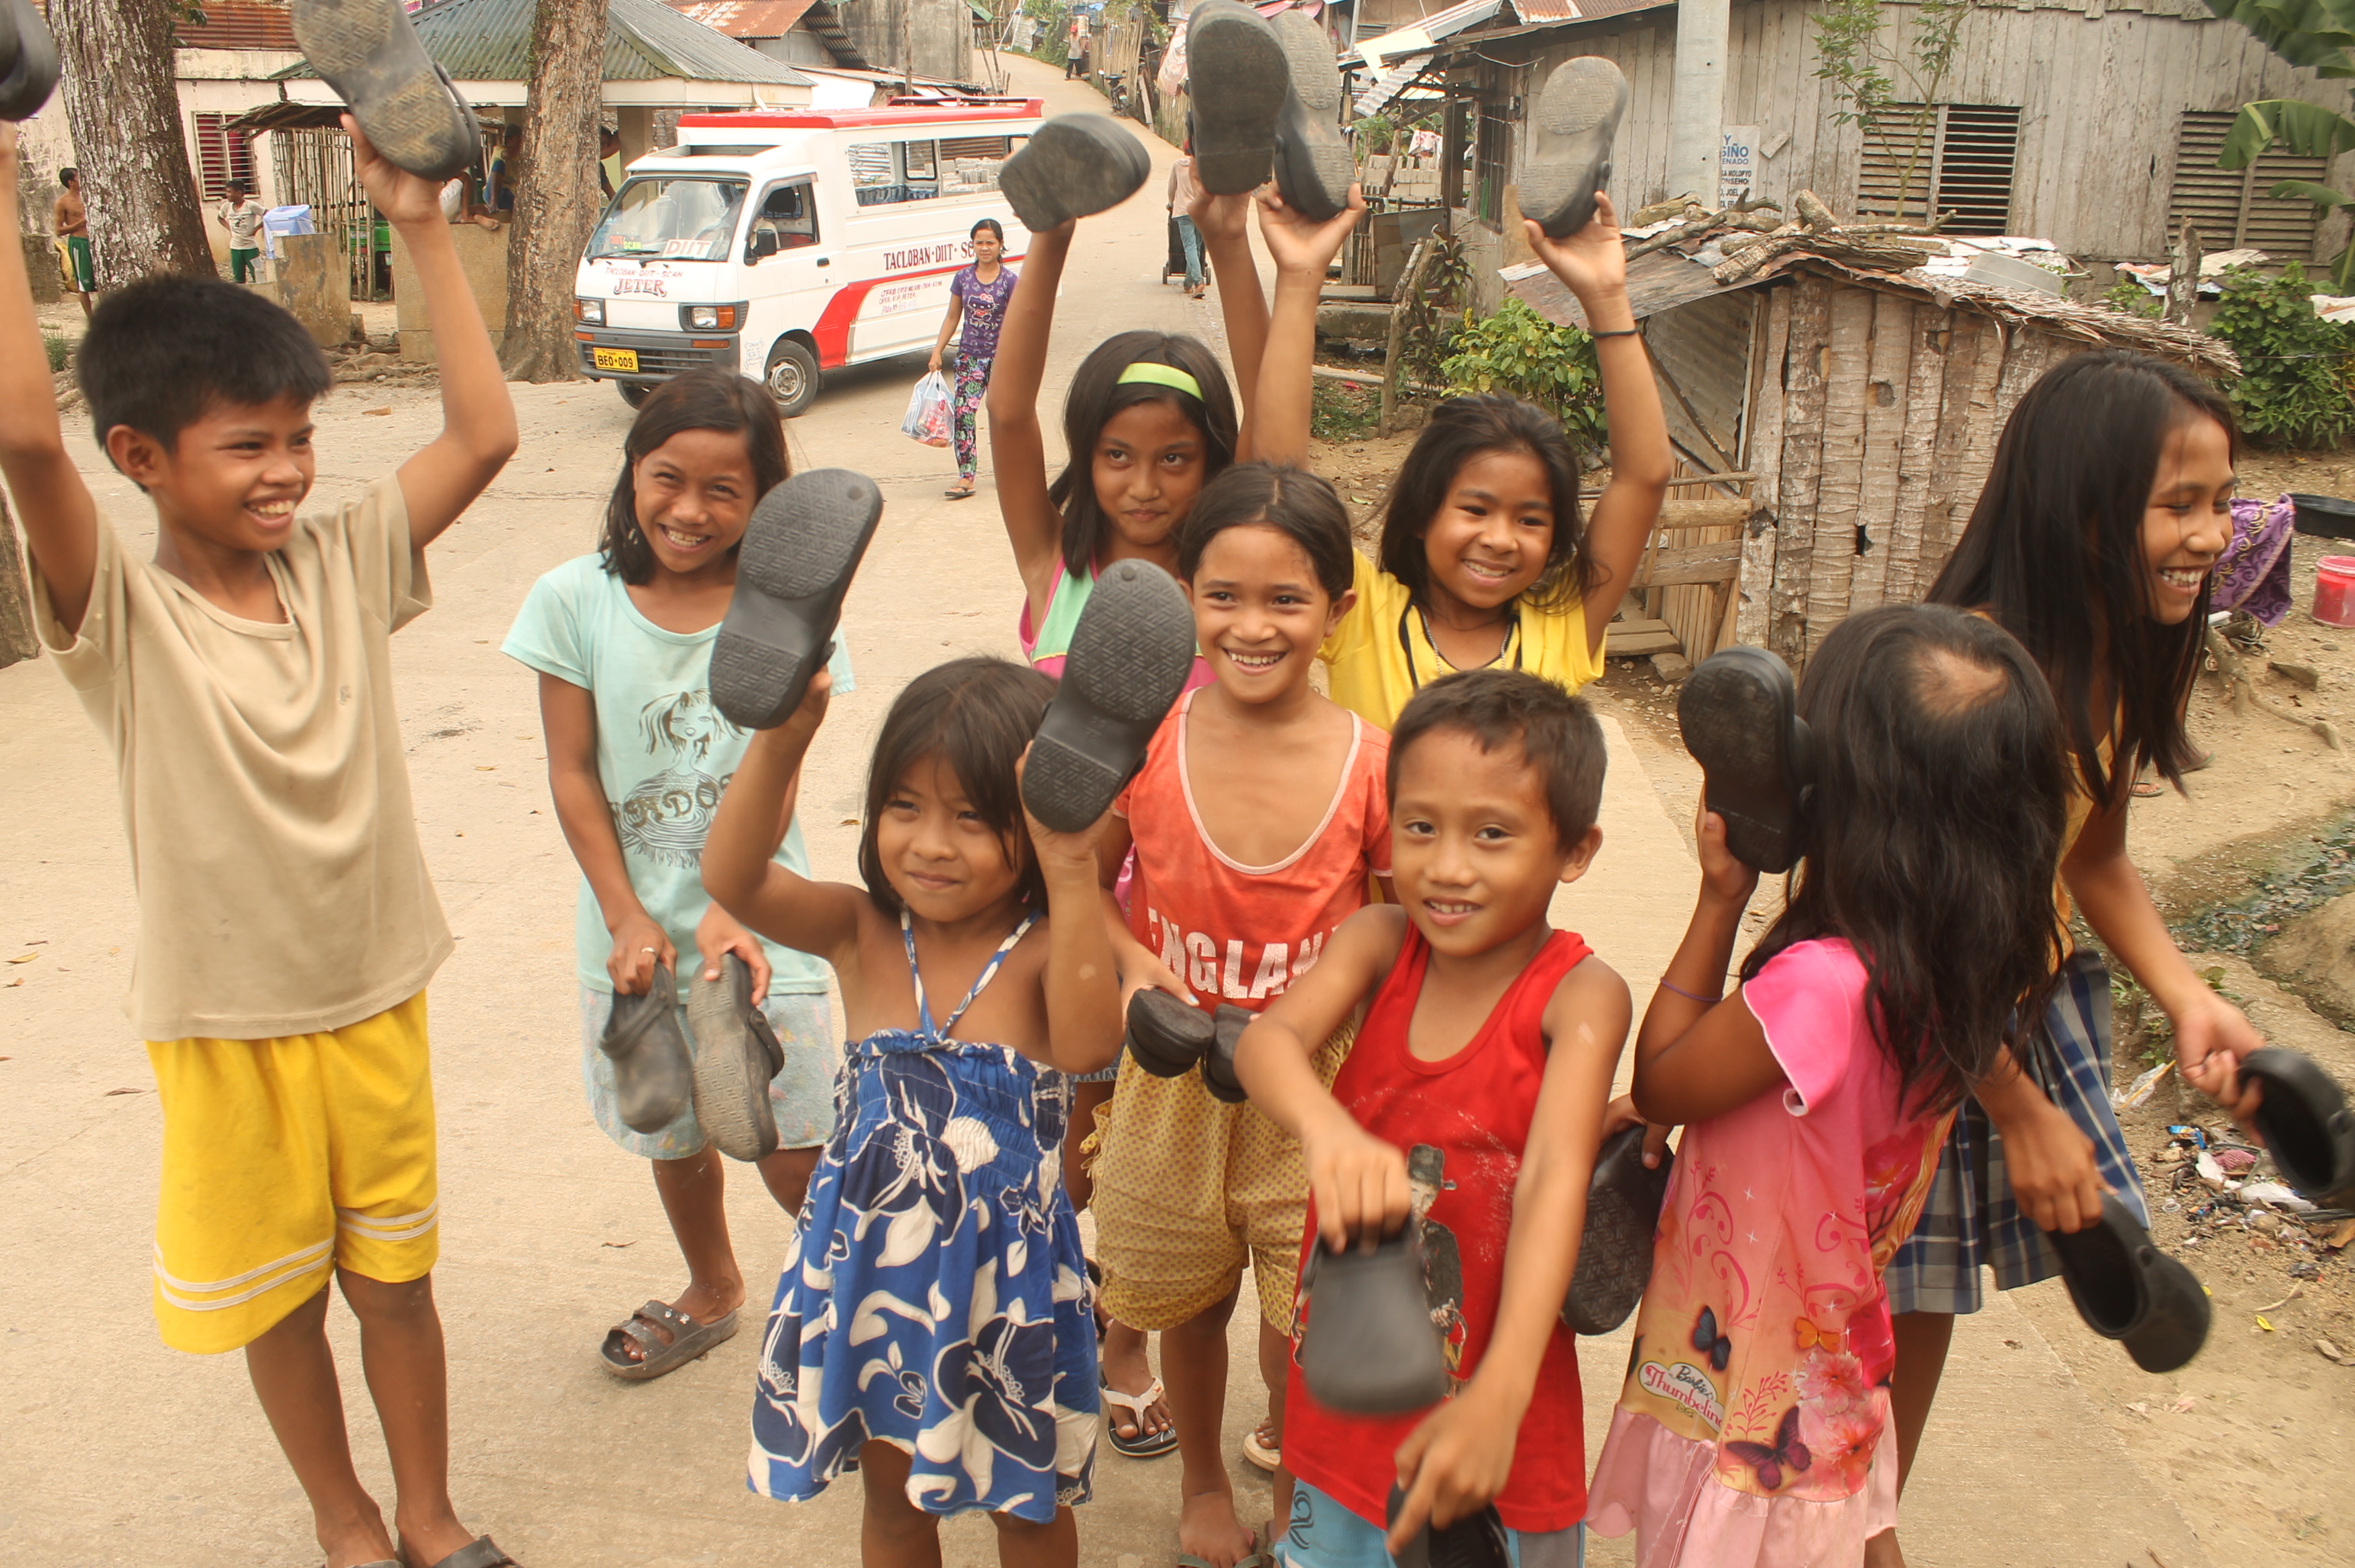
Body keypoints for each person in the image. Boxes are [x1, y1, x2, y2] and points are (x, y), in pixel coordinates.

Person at [0, 116, 519, 1568]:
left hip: (375, 998)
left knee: (398, 1285)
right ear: (139, 458)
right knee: (281, 1301)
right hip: (227, 1026)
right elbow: (24, 436)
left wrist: (423, 222)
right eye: (247, 446)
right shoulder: (122, 616)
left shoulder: (342, 564)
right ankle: (344, 1517)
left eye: (300, 439)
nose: (287, 471)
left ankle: (428, 1514)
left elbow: (485, 436)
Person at [1873, 351, 2266, 1568]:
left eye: (2223, 501)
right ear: (2080, 511)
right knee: (1853, 1310)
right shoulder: (1976, 680)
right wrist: (2018, 1107)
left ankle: (1863, 1529)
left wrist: (2188, 996)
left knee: (1919, 1297)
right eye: (2178, 504)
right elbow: (1904, 932)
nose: (2212, 536)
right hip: (1902, 1032)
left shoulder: (2114, 651)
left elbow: (2094, 856)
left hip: (1997, 1011)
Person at [1586, 606, 2074, 1566]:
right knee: (1847, 1526)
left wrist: (1719, 897)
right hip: (1830, 1365)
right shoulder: (1949, 973)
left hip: (1755, 1389)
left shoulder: (1818, 985)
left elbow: (1667, 1078)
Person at [702, 655, 1120, 1566]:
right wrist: (782, 736)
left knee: (1028, 1511)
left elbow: (1091, 1042)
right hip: (874, 1285)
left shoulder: (1045, 950)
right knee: (894, 1509)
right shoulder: (861, 932)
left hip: (1005, 1292)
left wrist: (1071, 863)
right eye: (904, 805)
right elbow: (733, 877)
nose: (931, 843)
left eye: (971, 817)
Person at [500, 368, 854, 1380]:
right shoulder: (573, 600)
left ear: (764, 502)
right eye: (668, 478)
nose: (689, 510)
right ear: (632, 472)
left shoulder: (787, 617)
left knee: (794, 1142)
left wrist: (732, 903)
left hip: (764, 921)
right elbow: (573, 773)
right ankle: (714, 1285)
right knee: (675, 1129)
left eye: (722, 490)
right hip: (632, 932)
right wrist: (625, 916)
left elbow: (778, 772)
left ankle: (856, 1304)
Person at [1232, 667, 1628, 1568]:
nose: (1446, 866)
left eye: (1491, 834)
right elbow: (1266, 1043)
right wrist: (1326, 1129)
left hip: (1494, 1419)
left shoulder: (1580, 996)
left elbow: (1553, 1178)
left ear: (1574, 849)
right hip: (1346, 1402)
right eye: (1419, 827)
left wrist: (1500, 1396)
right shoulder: (1377, 943)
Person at [1088, 462, 1397, 1566]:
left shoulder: (1373, 765)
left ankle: (1300, 1498)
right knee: (1185, 1305)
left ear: (1337, 610)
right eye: (1223, 596)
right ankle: (1205, 1484)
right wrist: (1131, 962)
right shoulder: (1145, 743)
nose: (1252, 626)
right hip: (1171, 1076)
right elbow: (1084, 879)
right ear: (1185, 596)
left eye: (1286, 600)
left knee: (1295, 1331)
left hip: (1314, 1090)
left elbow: (1395, 929)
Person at [1242, 187, 1672, 729]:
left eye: (1531, 520)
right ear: (1423, 513)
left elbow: (1644, 477)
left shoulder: (1563, 624)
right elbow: (1280, 481)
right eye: (1475, 509)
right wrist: (1301, 278)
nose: (1500, 539)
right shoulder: (1364, 615)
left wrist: (1608, 298)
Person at [929, 217, 1017, 500]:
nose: (985, 247)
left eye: (990, 242)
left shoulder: (1010, 281)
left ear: (1001, 245)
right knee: (964, 415)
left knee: (1003, 418)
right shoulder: (963, 278)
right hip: (969, 359)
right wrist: (937, 350)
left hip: (1002, 361)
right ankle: (966, 476)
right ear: (972, 245)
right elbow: (952, 317)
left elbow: (1019, 322)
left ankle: (1010, 474)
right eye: (979, 242)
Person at [53, 164, 91, 317]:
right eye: (79, 177)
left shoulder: (89, 196)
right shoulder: (63, 202)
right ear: (71, 182)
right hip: (79, 244)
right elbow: (58, 230)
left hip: (95, 243)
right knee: (83, 284)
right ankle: (91, 319)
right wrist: (79, 224)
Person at [1168, 143, 1205, 298]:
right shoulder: (1202, 165)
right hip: (1201, 211)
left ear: (1184, 150)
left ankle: (1198, 281)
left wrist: (1171, 203)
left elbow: (1172, 188)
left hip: (1183, 210)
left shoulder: (1177, 165)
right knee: (1196, 247)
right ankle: (1188, 284)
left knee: (1190, 246)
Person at [216, 179, 265, 284]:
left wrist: (256, 229)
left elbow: (268, 215)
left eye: (229, 192)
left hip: (250, 248)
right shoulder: (226, 206)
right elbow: (220, 218)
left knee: (258, 276)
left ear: (238, 193)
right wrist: (230, 229)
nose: (227, 195)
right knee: (238, 279)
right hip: (235, 248)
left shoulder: (251, 205)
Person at [1066, 13, 1088, 78]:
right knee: (1070, 65)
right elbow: (1069, 45)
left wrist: (1081, 51)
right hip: (1071, 52)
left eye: (1074, 32)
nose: (1073, 33)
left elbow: (1081, 44)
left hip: (1077, 52)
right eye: (1072, 32)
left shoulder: (1079, 37)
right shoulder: (1070, 37)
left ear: (1076, 31)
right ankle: (1068, 76)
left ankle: (1078, 75)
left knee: (1078, 65)